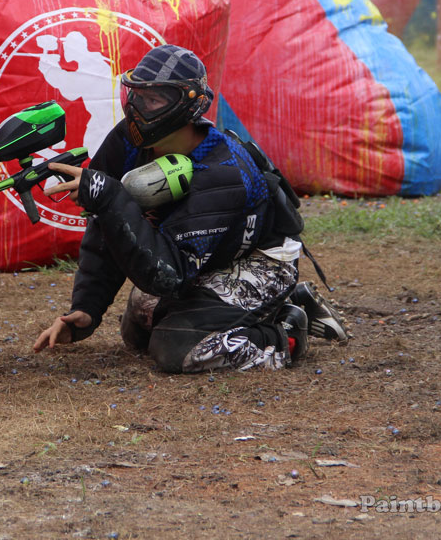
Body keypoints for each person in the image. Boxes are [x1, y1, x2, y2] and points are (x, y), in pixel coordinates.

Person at [32, 44, 347, 373]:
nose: (138, 108)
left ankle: (287, 330)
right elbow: (108, 224)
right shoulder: (129, 141)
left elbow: (170, 276)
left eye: (154, 100)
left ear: (188, 105)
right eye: (137, 95)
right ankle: (275, 305)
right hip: (204, 258)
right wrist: (87, 307)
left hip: (260, 260)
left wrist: (112, 197)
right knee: (138, 330)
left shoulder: (223, 172)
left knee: (178, 347)